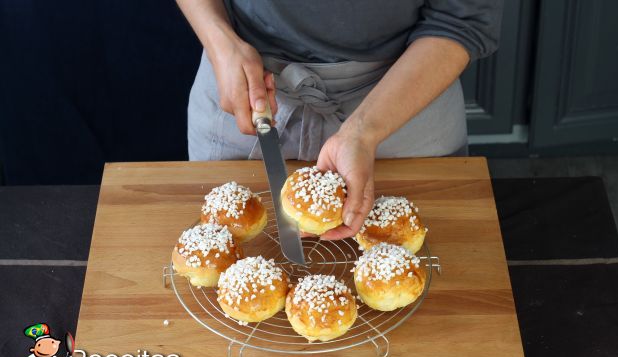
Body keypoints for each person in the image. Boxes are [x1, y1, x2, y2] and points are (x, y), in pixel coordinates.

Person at [177, 1, 502, 240]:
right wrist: (220, 41)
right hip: (248, 92)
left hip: (405, 102)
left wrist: (363, 133)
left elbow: (464, 19)